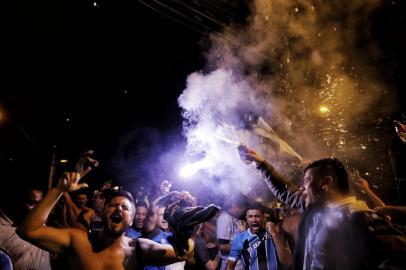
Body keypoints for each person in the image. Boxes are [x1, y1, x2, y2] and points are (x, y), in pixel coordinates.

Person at [237, 144, 406, 270]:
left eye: (307, 181)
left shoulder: (363, 219)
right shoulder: (315, 210)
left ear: (326, 183)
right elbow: (286, 191)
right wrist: (260, 163)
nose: (302, 188)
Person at [17, 171, 220, 270]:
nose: (119, 209)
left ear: (131, 220)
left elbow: (184, 253)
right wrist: (58, 190)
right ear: (103, 212)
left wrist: (185, 227)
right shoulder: (77, 240)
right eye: (113, 205)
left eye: (125, 208)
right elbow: (28, 231)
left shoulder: (139, 249)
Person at [225, 203, 292, 270]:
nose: (254, 220)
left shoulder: (273, 232)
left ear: (263, 217)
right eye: (250, 216)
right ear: (246, 219)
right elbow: (229, 266)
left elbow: (287, 262)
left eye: (257, 216)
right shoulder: (239, 239)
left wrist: (274, 234)